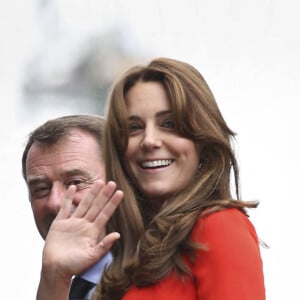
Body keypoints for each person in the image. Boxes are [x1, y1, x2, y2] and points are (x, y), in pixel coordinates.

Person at [38, 57, 266, 300]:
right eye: (134, 127)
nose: (149, 140)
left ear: (203, 140)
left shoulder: (219, 225)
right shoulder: (128, 255)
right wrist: (54, 276)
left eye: (169, 123)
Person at [22, 115, 123, 300]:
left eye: (76, 182)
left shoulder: (163, 273)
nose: (55, 202)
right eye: (41, 189)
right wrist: (53, 278)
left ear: (122, 180)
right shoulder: (62, 283)